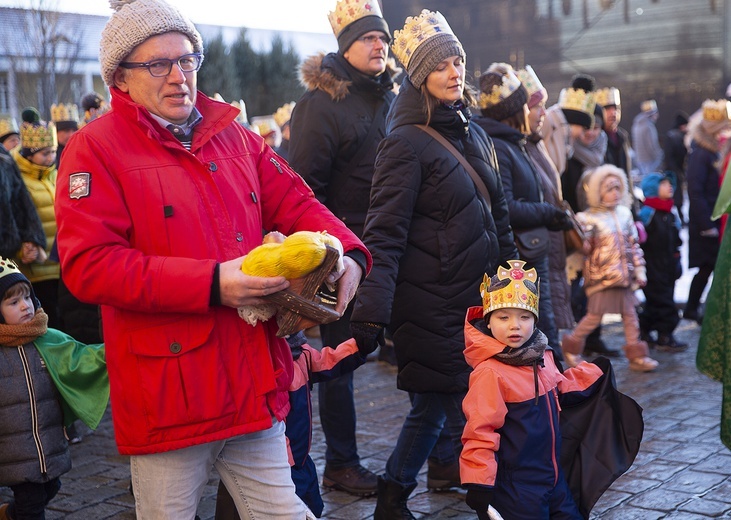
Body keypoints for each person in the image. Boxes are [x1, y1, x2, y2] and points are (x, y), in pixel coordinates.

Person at [53, 0, 370, 518]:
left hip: (250, 379)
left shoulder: (236, 137)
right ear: (121, 78)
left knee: (284, 512)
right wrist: (212, 283)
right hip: (169, 395)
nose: (180, 76)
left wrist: (350, 255)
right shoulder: (94, 149)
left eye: (188, 60)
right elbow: (90, 266)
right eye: (159, 64)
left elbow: (300, 203)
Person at [349, 10, 516, 518]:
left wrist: (516, 288)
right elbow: (385, 233)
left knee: (435, 409)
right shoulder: (404, 143)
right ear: (420, 75)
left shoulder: (476, 135)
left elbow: (499, 217)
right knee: (463, 410)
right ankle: (487, 499)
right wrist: (372, 312)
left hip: (477, 301)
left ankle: (394, 494)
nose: (453, 71)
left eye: (457, 60)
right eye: (441, 63)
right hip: (432, 305)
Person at [288, 0, 398, 496]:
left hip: (393, 250)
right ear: (345, 47)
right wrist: (331, 258)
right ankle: (341, 463)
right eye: (368, 38)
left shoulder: (394, 98)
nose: (380, 45)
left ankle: (444, 456)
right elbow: (305, 190)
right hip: (345, 257)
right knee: (339, 362)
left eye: (383, 38)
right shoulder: (319, 105)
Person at [460, 260, 603, 519]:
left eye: (524, 317)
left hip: (554, 476)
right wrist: (478, 481)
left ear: (534, 321)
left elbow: (558, 388)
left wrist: (592, 374)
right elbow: (480, 431)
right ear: (489, 322)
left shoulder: (543, 354)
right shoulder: (490, 373)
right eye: (504, 317)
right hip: (518, 488)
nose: (515, 325)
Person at [214, 333, 375, 519]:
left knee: (310, 506)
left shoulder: (299, 352)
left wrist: (359, 346)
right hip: (272, 462)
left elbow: (327, 362)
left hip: (301, 460)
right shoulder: (259, 360)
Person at [474, 62, 572, 360]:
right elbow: (507, 206)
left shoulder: (514, 143)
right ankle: (552, 393)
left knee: (544, 327)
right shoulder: (501, 147)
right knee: (539, 331)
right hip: (522, 253)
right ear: (516, 111)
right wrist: (548, 213)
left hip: (532, 247)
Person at [0, 257, 109, 520]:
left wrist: (113, 351)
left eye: (27, 297)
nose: (25, 306)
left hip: (48, 442)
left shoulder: (48, 338)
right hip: (13, 449)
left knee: (51, 486)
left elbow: (80, 358)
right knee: (32, 502)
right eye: (14, 302)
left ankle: (9, 514)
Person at [561, 164, 658, 372]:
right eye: (609, 189)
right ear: (597, 192)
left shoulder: (624, 214)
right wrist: (580, 237)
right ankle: (571, 348)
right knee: (594, 316)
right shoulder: (588, 218)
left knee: (631, 315)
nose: (615, 193)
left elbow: (633, 245)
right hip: (602, 278)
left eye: (617, 188)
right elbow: (583, 250)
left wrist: (639, 270)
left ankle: (637, 357)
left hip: (625, 278)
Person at [519, 65, 575, 337]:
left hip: (549, 249)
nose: (544, 113)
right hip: (533, 251)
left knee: (551, 331)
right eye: (536, 107)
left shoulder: (535, 143)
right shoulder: (518, 147)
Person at [11, 108, 61, 329]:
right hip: (36, 268)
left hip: (60, 265)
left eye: (53, 152)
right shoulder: (17, 181)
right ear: (29, 153)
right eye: (44, 153)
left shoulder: (56, 175)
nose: (50, 157)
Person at [683, 99, 731, 325]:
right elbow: (696, 191)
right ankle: (693, 308)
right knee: (706, 267)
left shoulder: (711, 150)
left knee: (709, 266)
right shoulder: (701, 153)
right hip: (707, 221)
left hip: (712, 219)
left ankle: (695, 308)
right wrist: (707, 225)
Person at [637, 171, 687, 351]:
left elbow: (676, 241)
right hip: (652, 267)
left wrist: (677, 259)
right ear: (653, 188)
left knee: (657, 302)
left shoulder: (670, 212)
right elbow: (640, 241)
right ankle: (665, 336)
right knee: (665, 303)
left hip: (668, 267)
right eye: (664, 184)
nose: (670, 187)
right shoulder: (647, 214)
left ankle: (644, 329)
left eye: (670, 184)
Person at [0, 115, 46, 264]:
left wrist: (30, 239)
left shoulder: (4, 159)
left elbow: (20, 202)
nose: (16, 143)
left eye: (16, 139)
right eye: (11, 140)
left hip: (12, 258)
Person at [663, 111, 689, 223]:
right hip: (675, 171)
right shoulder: (677, 137)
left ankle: (679, 218)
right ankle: (679, 218)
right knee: (677, 196)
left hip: (673, 170)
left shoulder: (672, 136)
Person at [631, 99, 664, 178]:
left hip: (639, 161)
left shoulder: (636, 125)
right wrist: (660, 157)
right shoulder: (649, 126)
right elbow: (652, 147)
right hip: (650, 162)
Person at [50, 103, 79, 168]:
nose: (71, 135)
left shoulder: (81, 150)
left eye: (74, 130)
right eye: (66, 131)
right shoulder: (50, 156)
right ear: (55, 132)